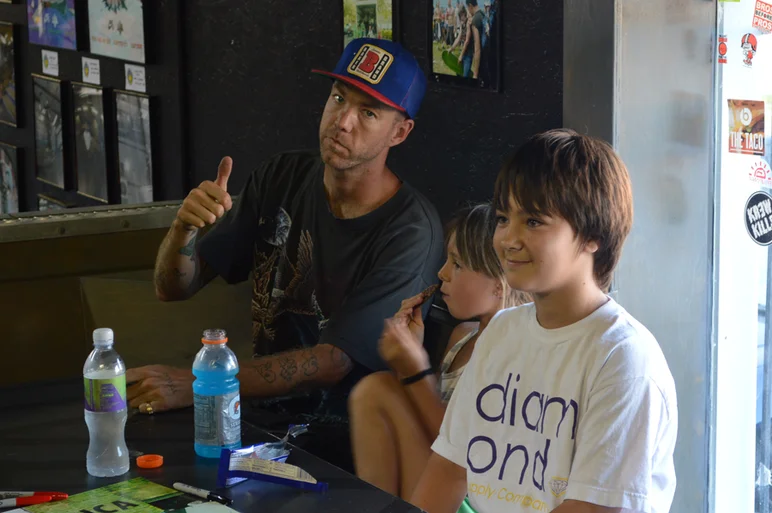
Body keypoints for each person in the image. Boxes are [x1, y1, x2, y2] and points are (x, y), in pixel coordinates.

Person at [125, 38, 444, 470]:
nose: (343, 122)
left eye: (368, 112)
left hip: (349, 448)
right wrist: (184, 228)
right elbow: (173, 288)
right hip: (254, 423)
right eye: (338, 99)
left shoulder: (411, 230)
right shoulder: (282, 175)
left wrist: (200, 385)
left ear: (400, 132)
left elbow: (334, 360)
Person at [411, 129, 678, 513]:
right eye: (504, 218)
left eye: (533, 221)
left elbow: (589, 508)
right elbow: (450, 468)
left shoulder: (623, 359)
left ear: (592, 236)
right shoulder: (501, 331)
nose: (508, 239)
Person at [349, 203, 530, 501]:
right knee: (377, 389)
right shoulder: (463, 336)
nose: (442, 273)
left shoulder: (512, 354)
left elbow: (462, 452)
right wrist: (410, 352)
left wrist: (415, 372)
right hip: (435, 482)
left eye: (457, 264)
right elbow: (422, 417)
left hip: (469, 496)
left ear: (499, 284)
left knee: (377, 390)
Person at [458, 0, 483, 79]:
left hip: (476, 56)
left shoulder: (475, 20)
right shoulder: (482, 15)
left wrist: (475, 74)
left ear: (470, 5)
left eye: (468, 8)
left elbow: (477, 49)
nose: (468, 10)